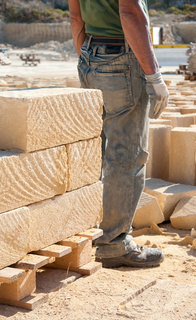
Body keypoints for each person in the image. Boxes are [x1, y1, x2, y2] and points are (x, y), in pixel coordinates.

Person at [69, 0, 169, 268]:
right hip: (121, 54)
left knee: (98, 152)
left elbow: (76, 17)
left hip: (90, 53)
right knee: (126, 154)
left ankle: (93, 231)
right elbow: (130, 12)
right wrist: (154, 75)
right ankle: (114, 243)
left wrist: (91, 61)